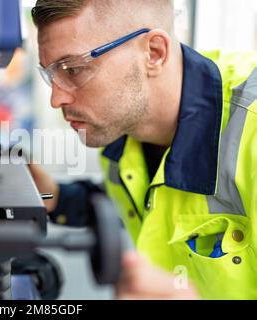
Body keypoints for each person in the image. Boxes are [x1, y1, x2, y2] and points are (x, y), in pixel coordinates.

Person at [30, 0, 257, 299]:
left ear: (154, 53)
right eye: (50, 74)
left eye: (73, 69)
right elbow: (146, 203)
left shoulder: (249, 131)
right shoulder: (119, 129)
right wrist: (56, 198)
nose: (56, 98)